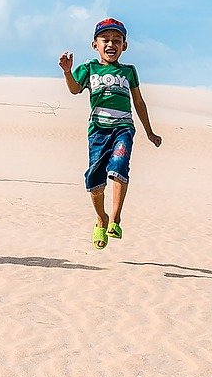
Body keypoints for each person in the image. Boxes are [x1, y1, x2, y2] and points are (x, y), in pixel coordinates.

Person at [58, 17, 161, 249]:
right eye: (105, 39)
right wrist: (67, 71)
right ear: (95, 44)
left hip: (123, 128)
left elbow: (139, 102)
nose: (111, 44)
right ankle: (101, 218)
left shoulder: (129, 71)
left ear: (125, 45)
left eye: (117, 40)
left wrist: (150, 132)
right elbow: (75, 89)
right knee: (95, 178)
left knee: (118, 166)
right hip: (97, 131)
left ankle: (115, 218)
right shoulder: (89, 68)